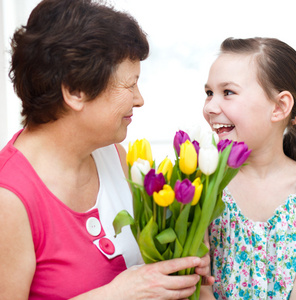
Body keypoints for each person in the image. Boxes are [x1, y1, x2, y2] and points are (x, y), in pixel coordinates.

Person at [0, 0, 213, 299]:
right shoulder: (8, 199)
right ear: (75, 91)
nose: (139, 100)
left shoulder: (114, 156)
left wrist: (179, 266)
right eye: (130, 85)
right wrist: (118, 294)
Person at [201, 37, 296, 299]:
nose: (209, 107)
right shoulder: (202, 182)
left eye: (227, 92)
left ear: (279, 107)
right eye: (209, 93)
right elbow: (201, 290)